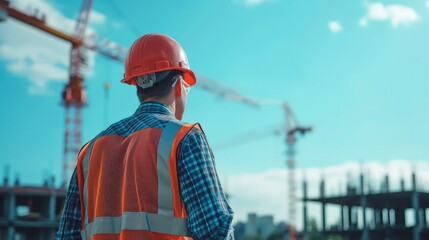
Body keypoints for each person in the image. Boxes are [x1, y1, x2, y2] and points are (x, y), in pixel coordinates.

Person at [56, 33, 234, 240]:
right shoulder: (184, 138)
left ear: (137, 87)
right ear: (179, 86)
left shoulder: (90, 152)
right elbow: (214, 232)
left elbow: (67, 236)